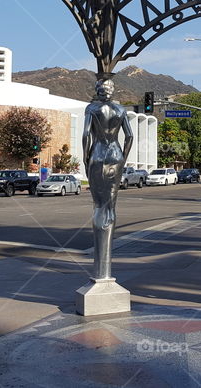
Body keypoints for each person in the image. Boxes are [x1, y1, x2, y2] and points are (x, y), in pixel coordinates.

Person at [83, 76, 134, 280]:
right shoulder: (121, 110)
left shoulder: (92, 109)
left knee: (99, 205)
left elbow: (87, 135)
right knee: (110, 207)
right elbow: (129, 136)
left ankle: (101, 271)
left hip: (98, 154)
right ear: (111, 91)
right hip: (116, 155)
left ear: (98, 90)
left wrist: (87, 158)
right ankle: (105, 271)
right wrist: (123, 158)